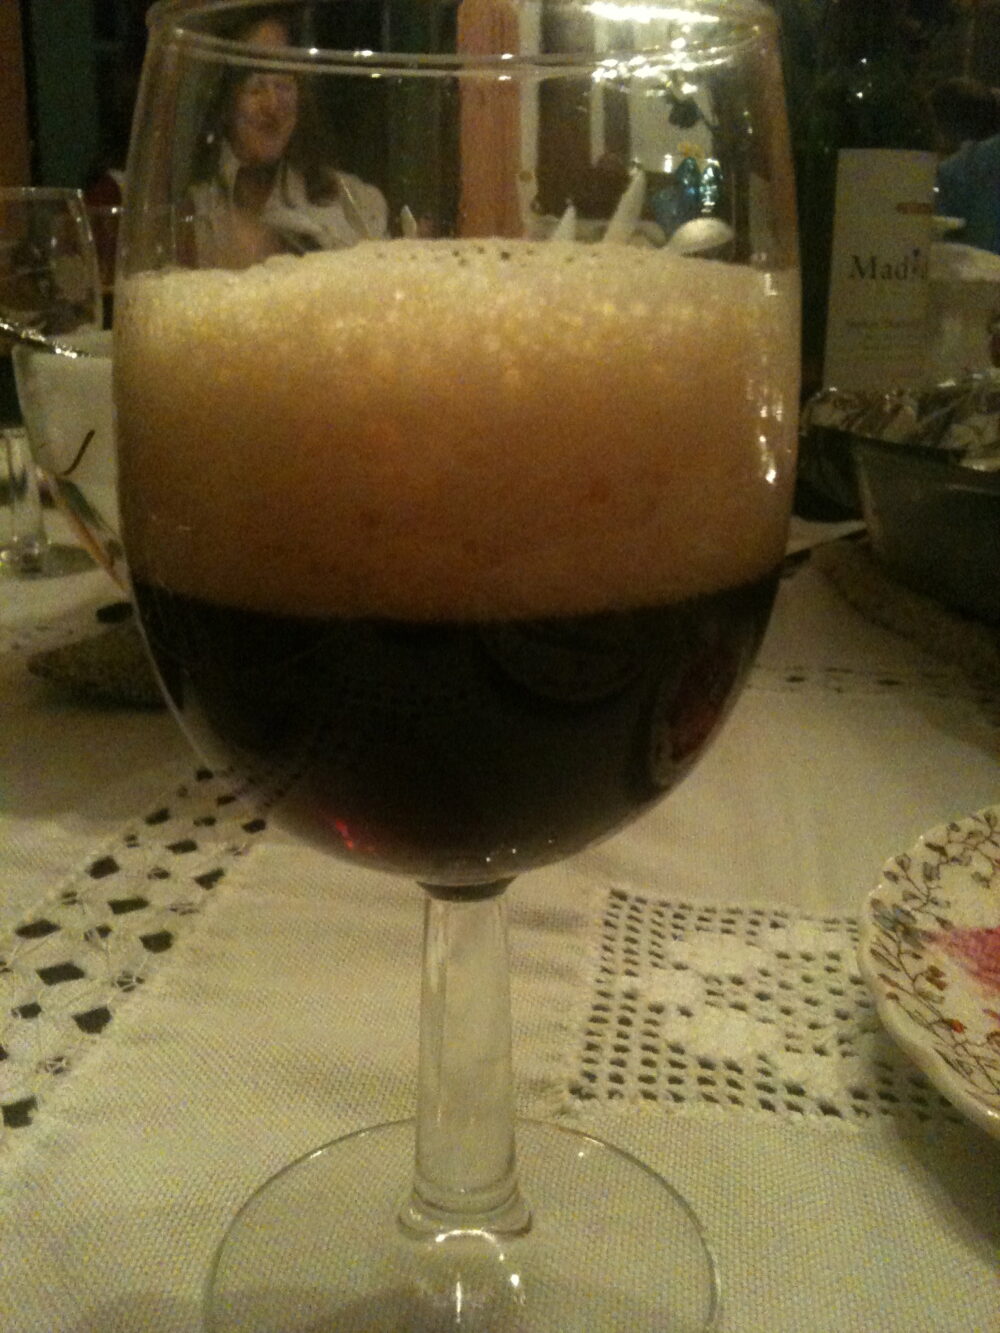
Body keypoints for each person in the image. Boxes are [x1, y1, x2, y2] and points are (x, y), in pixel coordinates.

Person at [190, 10, 388, 268]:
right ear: (223, 98)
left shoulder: (357, 203)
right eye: (255, 86)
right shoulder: (192, 213)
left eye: (283, 83)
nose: (272, 105)